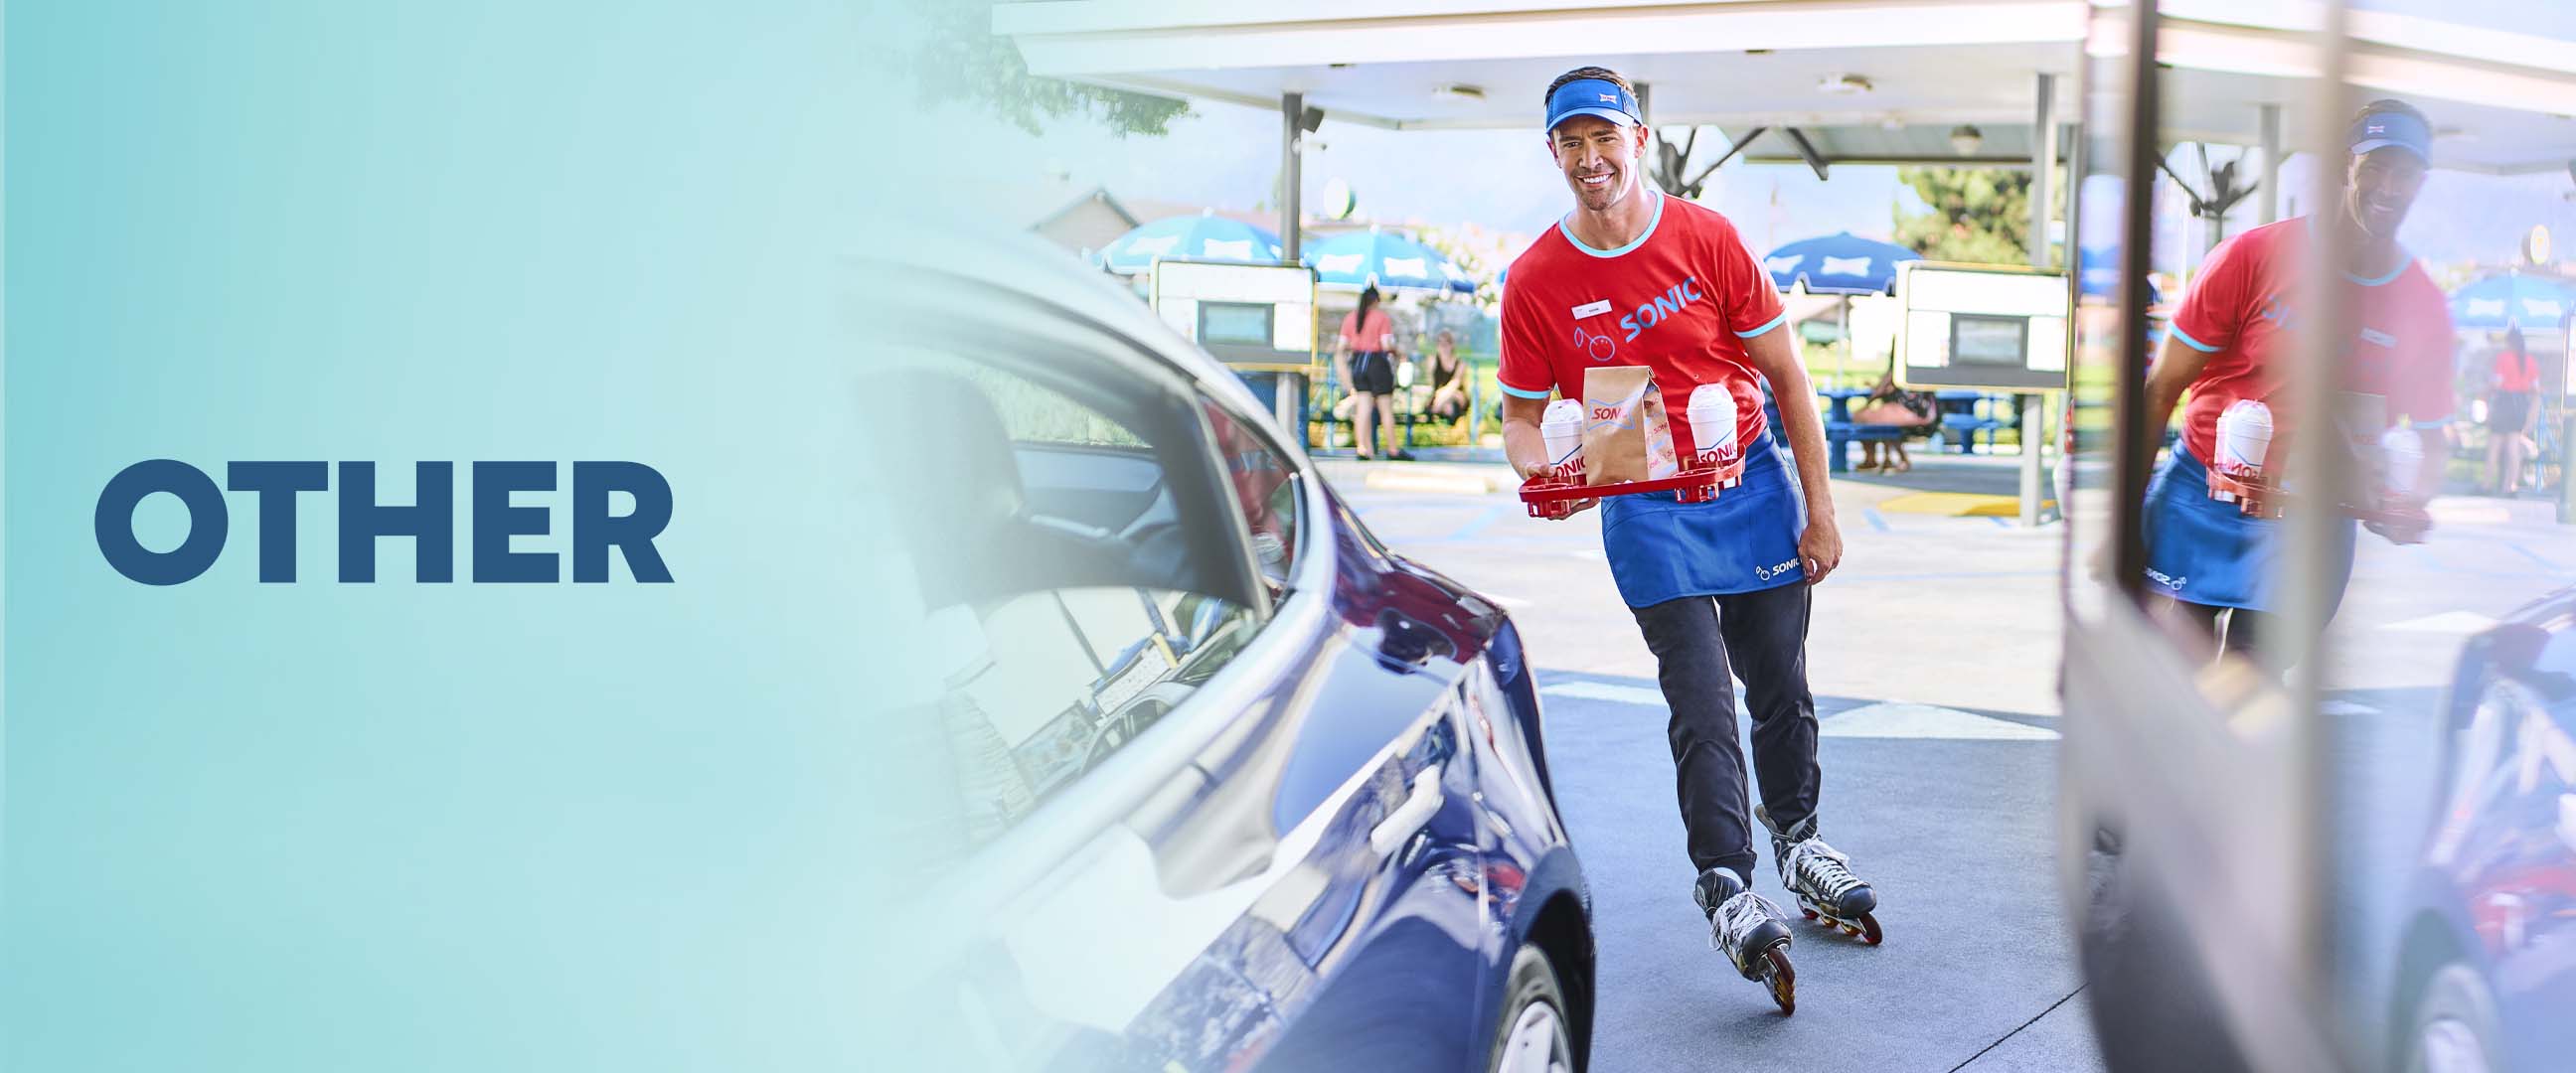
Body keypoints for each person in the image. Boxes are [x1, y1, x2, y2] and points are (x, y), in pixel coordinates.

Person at [1496, 65, 1869, 1013]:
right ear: (1553, 153)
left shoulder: (1706, 237)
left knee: (1779, 680)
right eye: (1570, 143)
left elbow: (1789, 380)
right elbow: (1521, 416)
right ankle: (1728, 882)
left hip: (1746, 485)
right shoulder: (1537, 279)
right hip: (1647, 510)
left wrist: (1820, 509)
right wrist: (1541, 468)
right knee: (1700, 693)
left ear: (1639, 140)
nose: (1590, 158)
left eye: (1603, 138)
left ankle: (1800, 840)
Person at [2138, 98, 2453, 663]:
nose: (2390, 186)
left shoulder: (2421, 304)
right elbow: (2162, 388)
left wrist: (2406, 503)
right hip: (2204, 498)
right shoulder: (2253, 256)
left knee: (2249, 679)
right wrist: (2122, 514)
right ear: (2343, 168)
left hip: (2315, 515)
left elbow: (2430, 435)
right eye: (2375, 166)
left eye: (2405, 172)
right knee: (2172, 676)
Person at [1333, 284, 1412, 461]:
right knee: (1385, 408)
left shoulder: (1350, 318)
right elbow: (1386, 345)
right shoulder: (1381, 318)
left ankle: (1363, 448)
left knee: (1363, 407)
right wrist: (1399, 352)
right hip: (1377, 363)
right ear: (1376, 300)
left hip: (1358, 363)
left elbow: (1341, 346)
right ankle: (1392, 449)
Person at [1850, 363, 1935, 472]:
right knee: (1882, 420)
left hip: (1912, 412)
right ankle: (1890, 459)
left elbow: (1880, 390)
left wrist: (1867, 404)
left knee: (1862, 418)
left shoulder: (1897, 369)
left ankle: (1873, 458)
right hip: (1924, 412)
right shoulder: (1917, 367)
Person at [2488, 324, 2540, 495]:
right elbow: (2536, 389)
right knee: (2513, 448)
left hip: (2504, 403)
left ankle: (2486, 485)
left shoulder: (2504, 358)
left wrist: (2486, 389)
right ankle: (2511, 486)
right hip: (2520, 405)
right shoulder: (2530, 361)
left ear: (2509, 342)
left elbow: (2496, 383)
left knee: (2494, 446)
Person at [1426, 329, 1469, 421]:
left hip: (1454, 395)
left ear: (1452, 345)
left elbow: (1454, 384)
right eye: (1440, 343)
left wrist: (1440, 395)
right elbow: (1431, 384)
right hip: (1440, 397)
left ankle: (1435, 410)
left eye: (1446, 343)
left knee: (1454, 395)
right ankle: (1438, 410)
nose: (1443, 347)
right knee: (1448, 407)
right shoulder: (1432, 361)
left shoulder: (1460, 363)